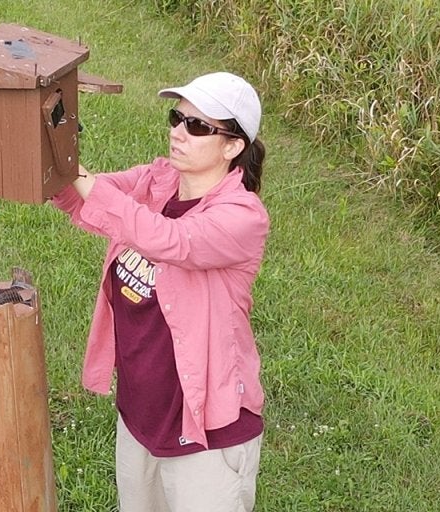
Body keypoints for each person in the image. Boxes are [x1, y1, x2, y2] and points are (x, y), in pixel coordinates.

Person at [51, 71, 269, 512]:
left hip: (205, 426)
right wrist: (50, 142)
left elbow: (171, 241)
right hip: (141, 412)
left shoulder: (243, 217)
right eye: (177, 118)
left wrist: (74, 167)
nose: (177, 132)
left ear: (233, 147)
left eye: (198, 126)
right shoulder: (158, 179)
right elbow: (80, 198)